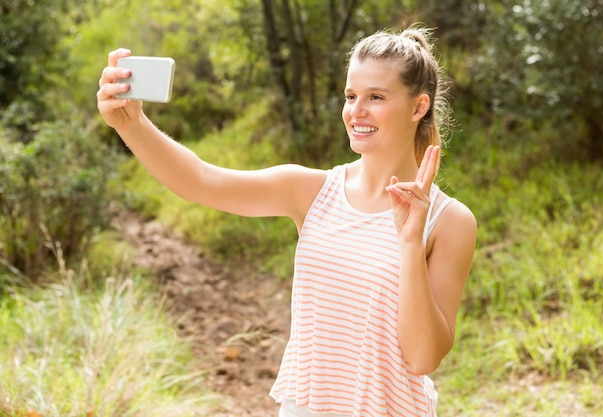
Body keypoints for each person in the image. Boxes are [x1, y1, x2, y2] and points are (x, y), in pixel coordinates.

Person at [97, 23, 477, 417]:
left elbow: (423, 358)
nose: (356, 111)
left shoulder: (449, 221)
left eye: (376, 97)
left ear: (418, 107)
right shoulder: (311, 191)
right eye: (350, 96)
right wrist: (130, 125)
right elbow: (202, 182)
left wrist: (410, 242)